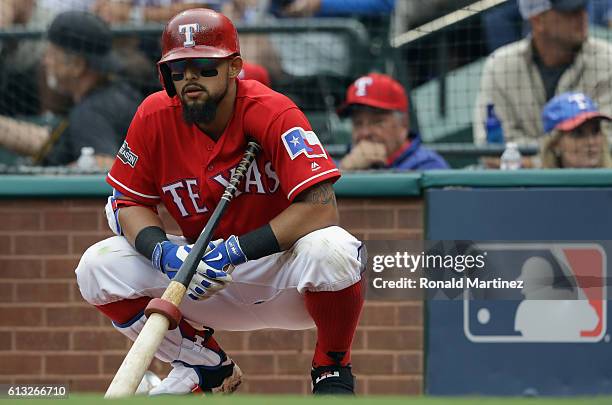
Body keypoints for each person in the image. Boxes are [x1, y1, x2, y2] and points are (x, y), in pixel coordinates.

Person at [75, 8, 365, 395]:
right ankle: (205, 363)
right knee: (97, 266)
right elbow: (129, 202)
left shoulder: (273, 111)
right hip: (200, 279)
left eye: (204, 66)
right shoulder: (153, 116)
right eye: (179, 69)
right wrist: (161, 251)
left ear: (233, 68)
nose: (190, 77)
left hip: (281, 272)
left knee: (335, 249)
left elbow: (321, 207)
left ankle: (331, 368)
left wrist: (236, 250)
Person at [0, 11, 141, 168]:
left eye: (52, 54)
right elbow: (52, 143)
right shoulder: (118, 93)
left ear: (77, 66)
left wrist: (54, 175)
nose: (45, 61)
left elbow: (104, 164)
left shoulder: (90, 112)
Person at [473, 0, 612, 146]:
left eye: (583, 8)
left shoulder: (607, 60)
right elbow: (490, 146)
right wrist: (559, 155)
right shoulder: (499, 66)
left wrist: (531, 158)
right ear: (538, 20)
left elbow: (607, 140)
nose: (582, 16)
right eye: (569, 12)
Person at [338, 73, 449, 171]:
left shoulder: (429, 167)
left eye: (377, 122)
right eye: (358, 123)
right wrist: (344, 171)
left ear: (403, 124)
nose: (365, 133)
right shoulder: (341, 165)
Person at [540, 91, 612, 168]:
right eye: (578, 134)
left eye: (595, 131)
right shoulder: (536, 180)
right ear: (555, 144)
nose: (591, 142)